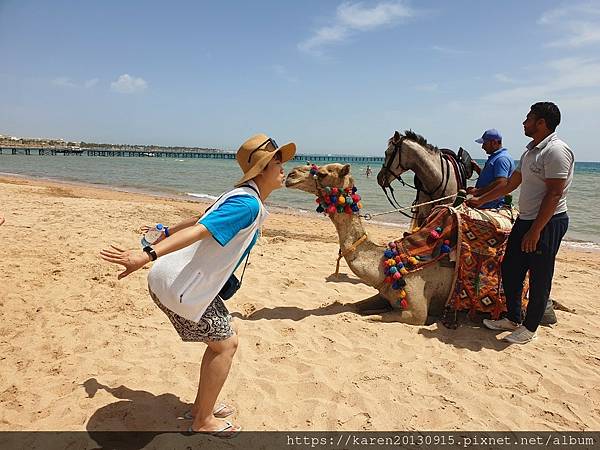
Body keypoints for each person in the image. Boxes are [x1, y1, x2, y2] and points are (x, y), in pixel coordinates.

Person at [100, 134, 296, 434]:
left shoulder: (242, 196)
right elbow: (201, 229)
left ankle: (200, 406)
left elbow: (199, 218)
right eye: (277, 163)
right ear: (261, 169)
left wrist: (164, 232)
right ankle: (203, 419)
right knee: (226, 345)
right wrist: (146, 254)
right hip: (180, 285)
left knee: (220, 341)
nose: (284, 168)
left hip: (176, 279)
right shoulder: (248, 205)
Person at [469, 102, 574, 344]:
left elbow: (554, 194)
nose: (523, 123)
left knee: (540, 275)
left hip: (548, 222)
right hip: (525, 219)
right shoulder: (529, 152)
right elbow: (510, 184)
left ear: (541, 123)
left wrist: (536, 230)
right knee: (510, 268)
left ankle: (530, 328)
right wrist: (480, 200)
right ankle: (513, 317)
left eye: (528, 119)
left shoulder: (556, 151)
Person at [467, 129, 515, 209]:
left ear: (494, 143)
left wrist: (477, 192)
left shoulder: (501, 159)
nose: (482, 147)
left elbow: (501, 183)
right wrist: (478, 169)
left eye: (485, 143)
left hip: (491, 206)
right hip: (485, 203)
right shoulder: (496, 157)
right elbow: (491, 178)